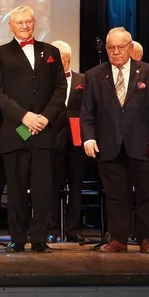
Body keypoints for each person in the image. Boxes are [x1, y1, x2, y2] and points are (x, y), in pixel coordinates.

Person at [81, 27, 149, 254]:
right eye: (111, 48)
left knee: (146, 194)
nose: (116, 52)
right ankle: (118, 238)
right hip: (108, 145)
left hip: (143, 145)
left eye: (120, 47)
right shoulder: (94, 75)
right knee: (115, 196)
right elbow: (87, 113)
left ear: (130, 47)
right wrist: (88, 139)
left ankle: (146, 238)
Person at [0, 6, 66, 253]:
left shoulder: (51, 52)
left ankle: (39, 238)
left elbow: (60, 88)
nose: (24, 26)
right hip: (16, 130)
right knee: (15, 189)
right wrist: (24, 117)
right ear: (10, 26)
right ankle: (17, 238)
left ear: (34, 23)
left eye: (28, 21)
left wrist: (44, 118)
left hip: (44, 131)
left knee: (43, 189)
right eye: (19, 22)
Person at [48, 40, 88, 243]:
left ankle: (73, 229)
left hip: (77, 142)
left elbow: (89, 108)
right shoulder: (45, 82)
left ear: (66, 58)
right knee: (52, 186)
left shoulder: (84, 80)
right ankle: (52, 229)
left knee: (76, 186)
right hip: (53, 140)